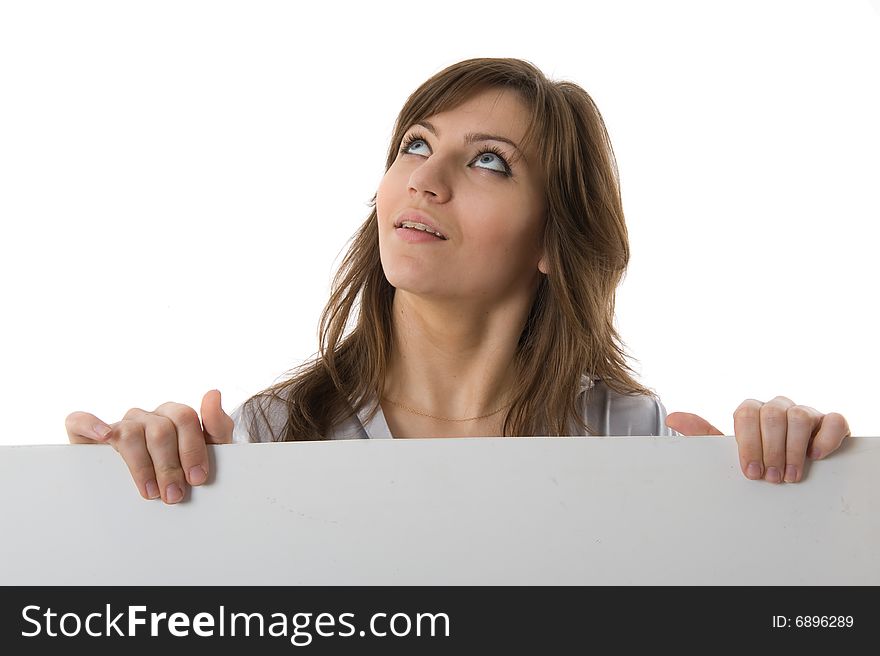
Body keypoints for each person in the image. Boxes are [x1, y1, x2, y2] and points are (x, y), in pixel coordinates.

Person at [65, 57, 851, 505]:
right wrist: (145, 507)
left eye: (487, 161)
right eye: (414, 145)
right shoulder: (268, 437)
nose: (424, 180)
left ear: (552, 237)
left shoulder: (633, 438)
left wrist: (798, 490)